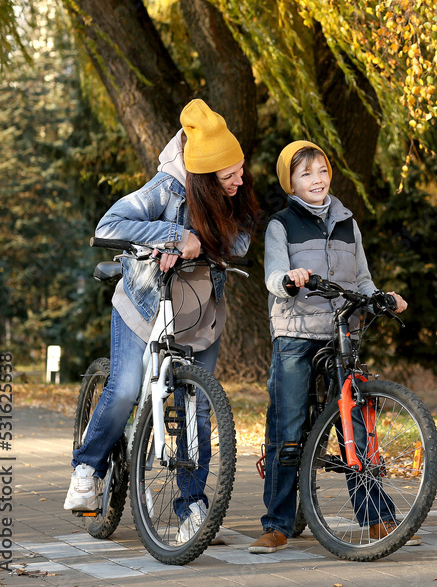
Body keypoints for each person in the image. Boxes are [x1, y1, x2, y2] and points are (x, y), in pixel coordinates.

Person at [64, 100, 262, 544]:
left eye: (240, 169)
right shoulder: (166, 188)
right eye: (228, 175)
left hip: (199, 310)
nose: (239, 180)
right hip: (146, 305)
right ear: (204, 177)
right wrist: (173, 235)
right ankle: (87, 468)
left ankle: (192, 505)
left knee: (198, 408)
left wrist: (206, 241)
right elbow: (110, 223)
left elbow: (245, 240)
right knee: (126, 389)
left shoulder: (232, 192)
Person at [249, 140, 411, 554]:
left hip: (342, 332)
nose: (317, 179)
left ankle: (375, 516)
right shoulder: (281, 225)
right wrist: (288, 280)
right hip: (296, 334)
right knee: (287, 429)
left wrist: (382, 296)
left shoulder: (347, 223)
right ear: (291, 182)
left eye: (321, 170)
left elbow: (362, 278)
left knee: (354, 426)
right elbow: (273, 275)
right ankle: (277, 523)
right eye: (306, 174)